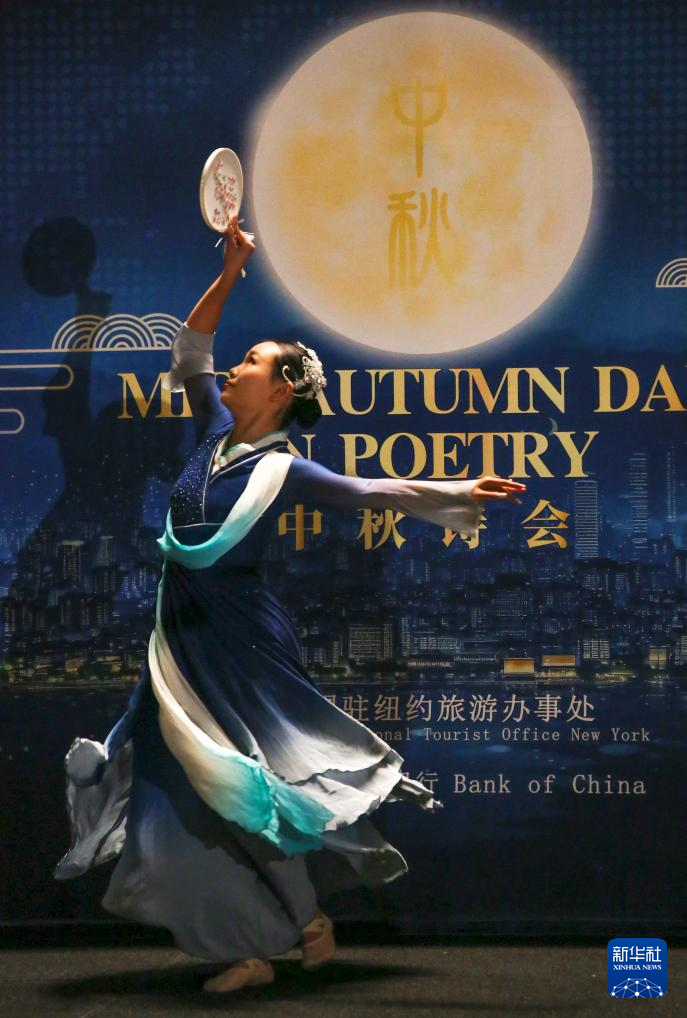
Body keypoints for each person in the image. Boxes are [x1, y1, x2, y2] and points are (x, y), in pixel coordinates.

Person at [53, 214, 526, 993]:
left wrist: (456, 490)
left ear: (279, 389)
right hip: (182, 638)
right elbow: (190, 351)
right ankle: (256, 941)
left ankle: (296, 925)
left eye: (252, 361)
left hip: (241, 645)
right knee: (181, 797)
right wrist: (231, 270)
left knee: (248, 792)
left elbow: (371, 490)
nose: (234, 366)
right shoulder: (212, 433)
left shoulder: (284, 469)